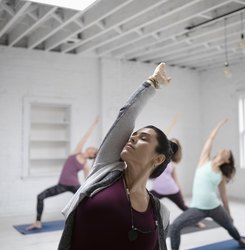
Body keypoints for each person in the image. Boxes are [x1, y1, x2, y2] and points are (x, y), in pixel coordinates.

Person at [58, 62, 172, 250]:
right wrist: (153, 83)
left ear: (158, 158)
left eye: (142, 138)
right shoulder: (105, 168)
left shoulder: (160, 214)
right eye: (133, 135)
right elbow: (126, 116)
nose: (132, 138)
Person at [169, 119, 245, 250]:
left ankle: (241, 241)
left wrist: (229, 213)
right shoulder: (204, 160)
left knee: (230, 226)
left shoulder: (221, 175)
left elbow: (224, 196)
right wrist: (220, 124)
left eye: (228, 152)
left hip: (215, 207)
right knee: (175, 226)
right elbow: (210, 139)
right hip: (197, 208)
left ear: (227, 159)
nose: (225, 150)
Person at [26, 118, 99, 230]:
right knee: (40, 197)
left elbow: (87, 179)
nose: (92, 147)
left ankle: (92, 221)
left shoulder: (85, 165)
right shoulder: (75, 152)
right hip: (61, 185)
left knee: (86, 202)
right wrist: (94, 124)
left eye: (94, 149)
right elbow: (84, 138)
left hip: (74, 186)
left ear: (92, 154)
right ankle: (38, 222)